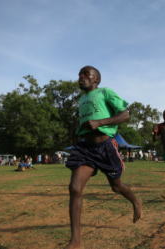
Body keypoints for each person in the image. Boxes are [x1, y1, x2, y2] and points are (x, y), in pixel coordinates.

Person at [65, 66, 142, 249]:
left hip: (106, 147)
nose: (81, 77)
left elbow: (125, 114)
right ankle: (76, 242)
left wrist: (100, 122)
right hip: (86, 148)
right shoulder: (82, 99)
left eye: (86, 75)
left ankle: (135, 200)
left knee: (116, 186)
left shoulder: (105, 92)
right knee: (75, 188)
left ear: (96, 80)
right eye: (79, 75)